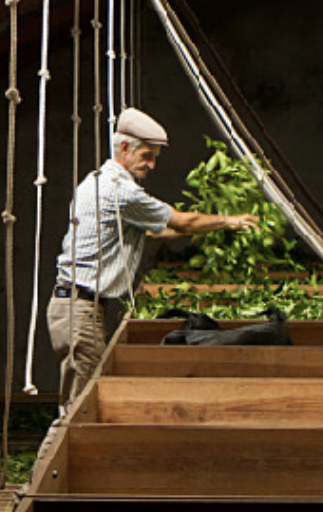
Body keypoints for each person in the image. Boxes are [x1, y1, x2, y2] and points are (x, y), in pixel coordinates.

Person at [47, 106, 259, 411]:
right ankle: (47, 460)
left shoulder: (95, 181)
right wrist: (228, 222)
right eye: (147, 155)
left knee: (80, 402)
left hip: (75, 307)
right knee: (80, 409)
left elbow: (154, 233)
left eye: (155, 157)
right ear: (124, 148)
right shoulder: (120, 192)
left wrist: (201, 232)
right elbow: (182, 221)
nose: (152, 164)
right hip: (78, 309)